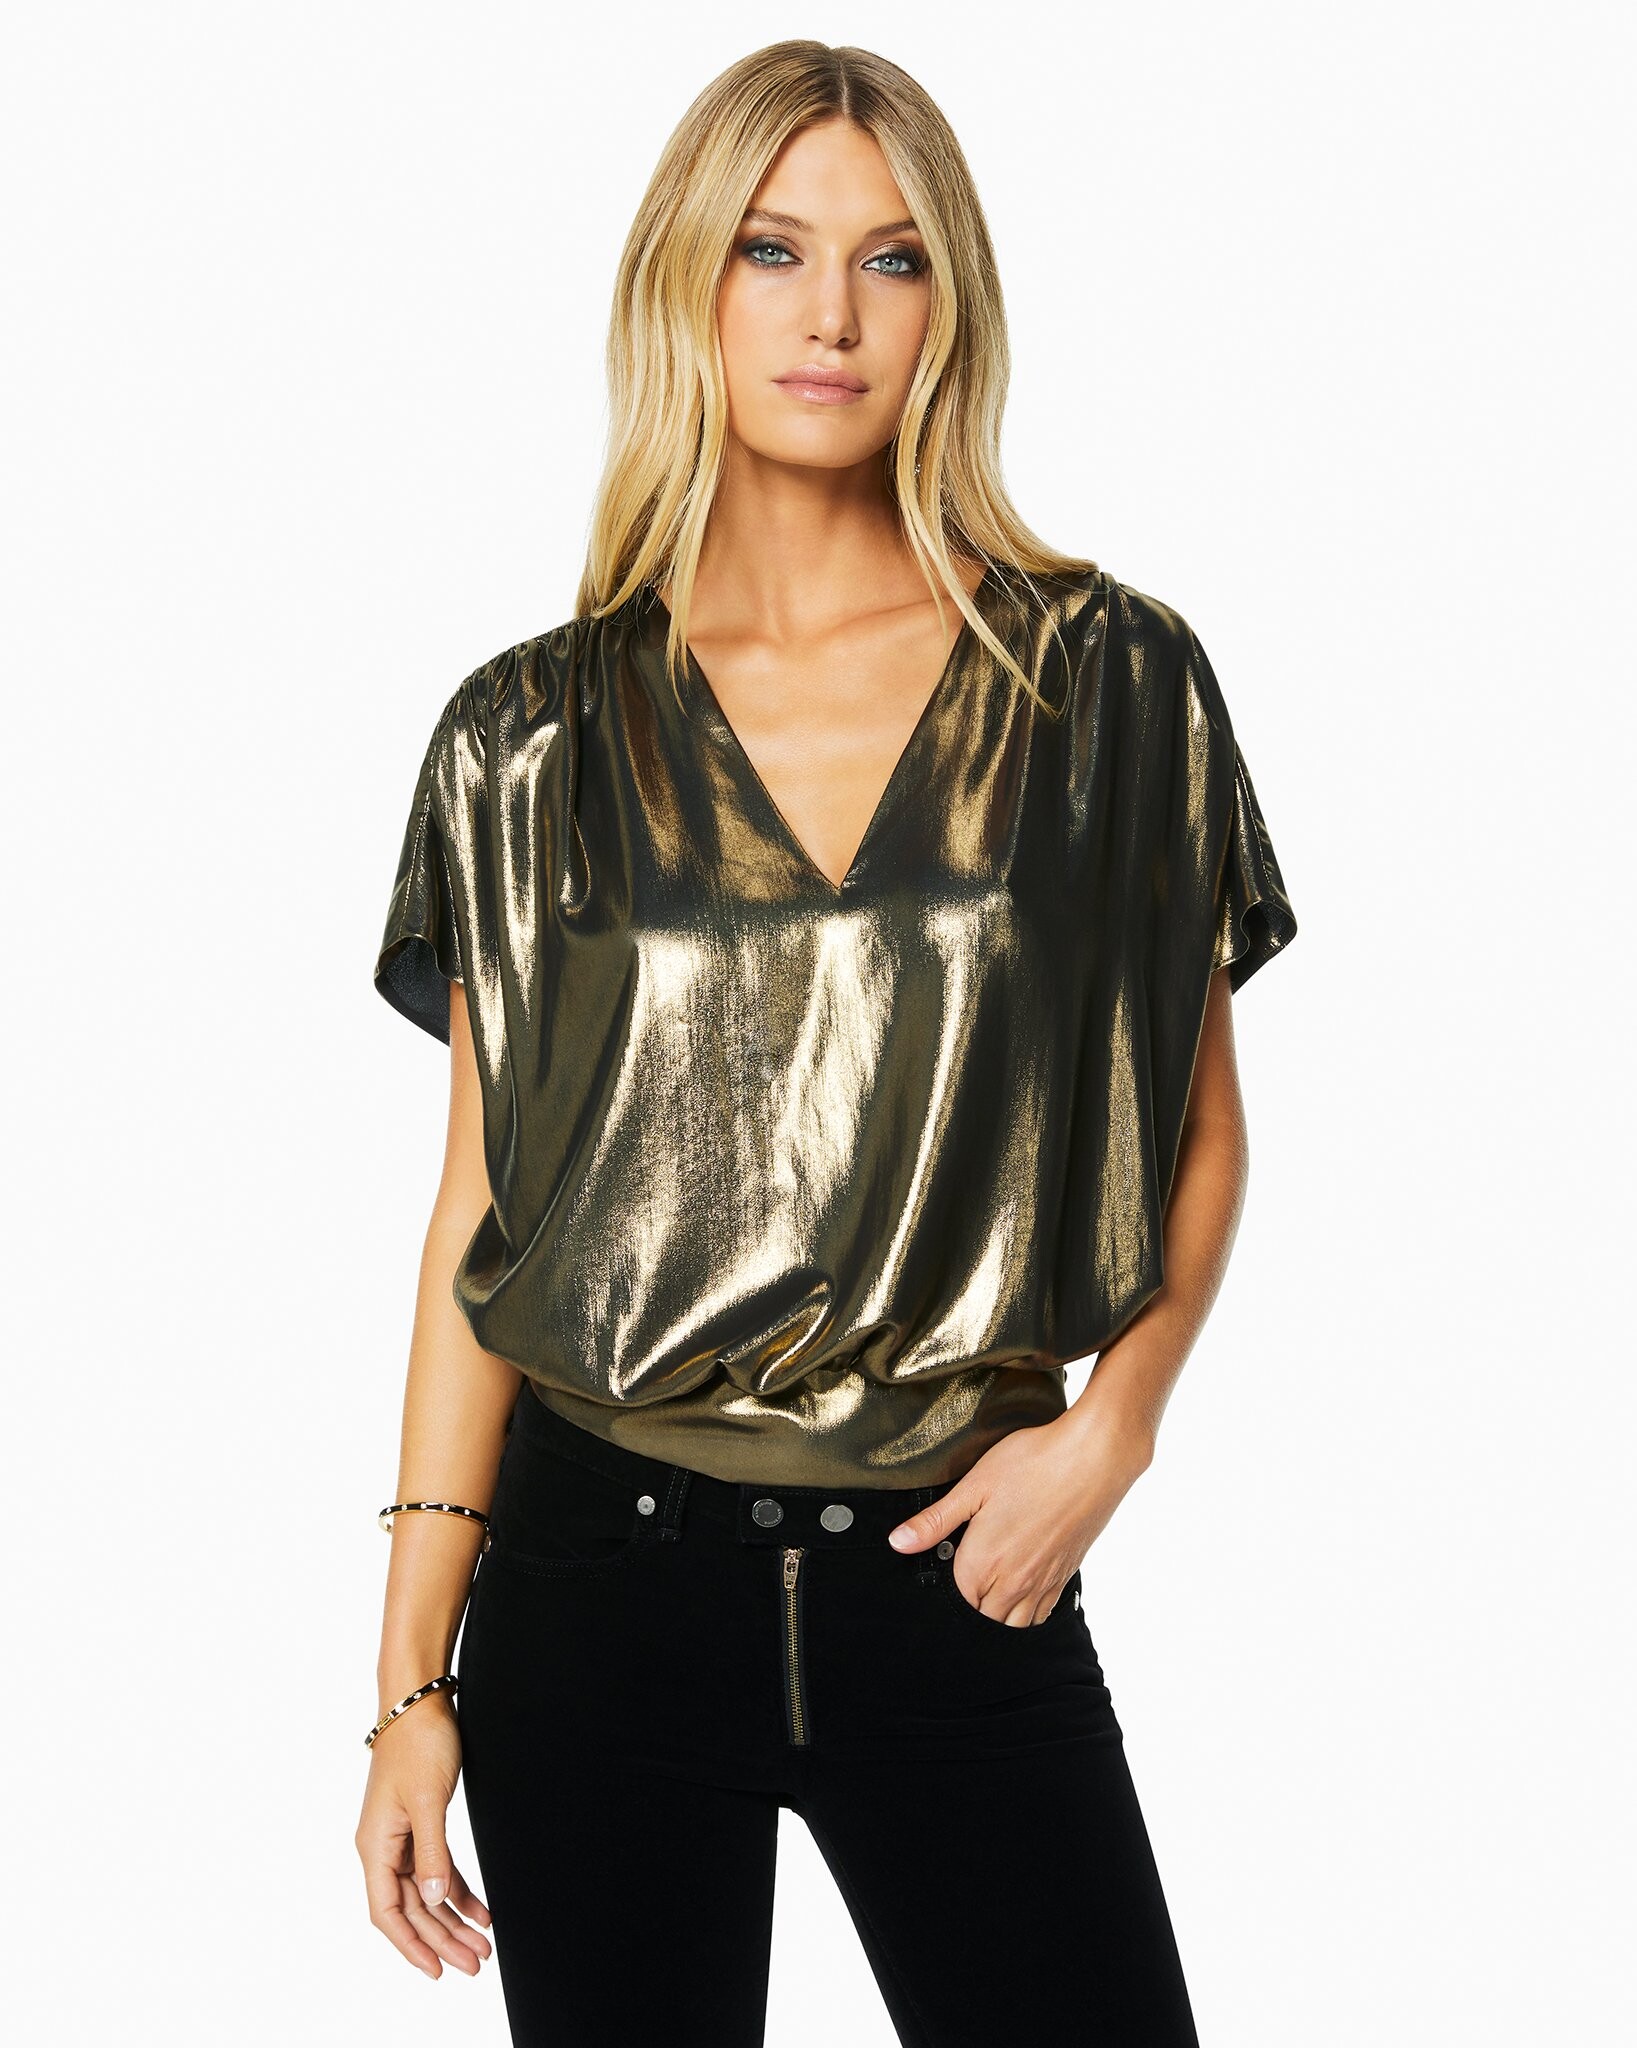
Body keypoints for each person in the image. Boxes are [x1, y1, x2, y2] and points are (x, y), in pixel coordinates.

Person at [355, 38, 1297, 2048]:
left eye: (892, 259)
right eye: (772, 249)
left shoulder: (1106, 684)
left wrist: (1115, 1427)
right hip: (595, 1586)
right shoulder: (526, 736)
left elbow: (1200, 1130)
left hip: (958, 1573)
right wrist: (409, 1682)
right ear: (686, 282)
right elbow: (481, 1220)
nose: (830, 316)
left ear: (951, 303)